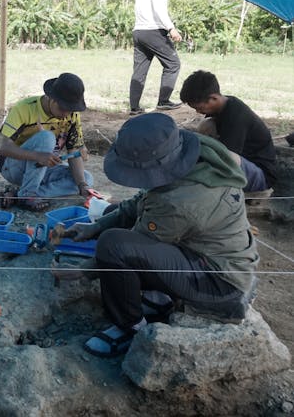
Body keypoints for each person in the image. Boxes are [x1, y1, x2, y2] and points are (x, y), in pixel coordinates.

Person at [65, 113, 258, 358]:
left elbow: (136, 240)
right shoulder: (186, 154)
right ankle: (157, 299)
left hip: (217, 283)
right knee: (115, 217)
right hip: (204, 253)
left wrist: (85, 269)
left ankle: (130, 326)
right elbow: (145, 200)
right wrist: (96, 226)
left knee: (113, 246)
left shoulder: (181, 202)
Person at [0, 72, 93, 210]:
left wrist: (82, 186)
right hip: (13, 167)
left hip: (43, 168)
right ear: (50, 97)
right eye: (62, 108)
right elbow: (3, 148)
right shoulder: (24, 109)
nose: (66, 114)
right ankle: (28, 193)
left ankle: (20, 195)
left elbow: (74, 150)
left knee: (86, 179)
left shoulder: (72, 115)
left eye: (70, 109)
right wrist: (37, 156)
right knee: (47, 137)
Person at [179, 69, 277, 192]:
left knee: (224, 156)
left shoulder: (236, 116)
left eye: (199, 108)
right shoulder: (225, 103)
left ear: (213, 98)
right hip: (244, 165)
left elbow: (225, 158)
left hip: (260, 176)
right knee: (206, 125)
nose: (198, 112)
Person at [129, 0, 183, 115]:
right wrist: (171, 28)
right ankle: (163, 101)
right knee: (173, 64)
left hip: (138, 31)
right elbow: (158, 7)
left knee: (139, 71)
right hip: (153, 31)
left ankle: (134, 107)